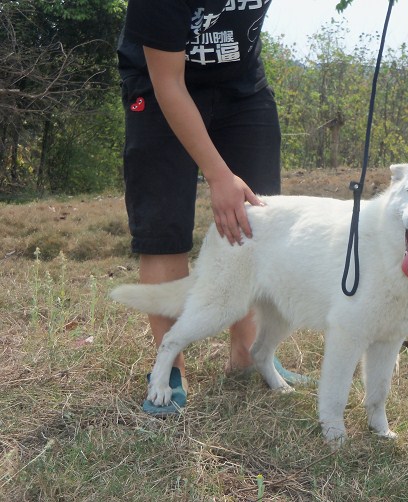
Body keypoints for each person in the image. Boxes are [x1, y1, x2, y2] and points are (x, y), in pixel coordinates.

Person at [117, 0, 300, 415]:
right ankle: (171, 370)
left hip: (242, 90)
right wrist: (219, 176)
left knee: (258, 223)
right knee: (163, 231)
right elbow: (169, 82)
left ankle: (248, 356)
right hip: (160, 83)